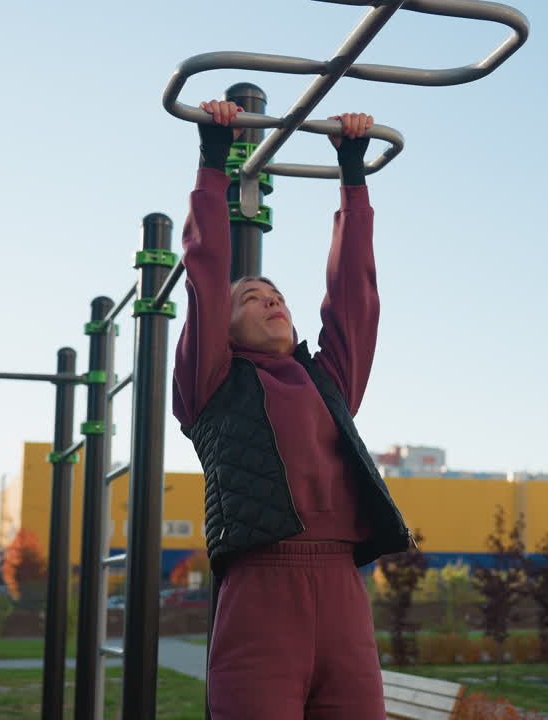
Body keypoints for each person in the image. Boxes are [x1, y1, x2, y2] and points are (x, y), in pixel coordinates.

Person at [172, 99, 413, 720]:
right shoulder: (212, 384)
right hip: (261, 591)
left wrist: (352, 178)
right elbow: (205, 272)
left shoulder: (327, 382)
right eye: (251, 296)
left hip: (341, 589)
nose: (270, 299)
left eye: (277, 294)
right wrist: (212, 163)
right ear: (221, 329)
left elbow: (354, 296)